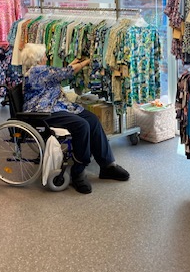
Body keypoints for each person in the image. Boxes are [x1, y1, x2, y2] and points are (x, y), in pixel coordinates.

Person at [21, 42, 129, 194]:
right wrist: (86, 62)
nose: (46, 57)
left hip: (57, 106)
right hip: (43, 111)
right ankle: (78, 171)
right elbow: (67, 72)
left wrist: (75, 62)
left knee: (92, 119)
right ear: (38, 59)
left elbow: (60, 72)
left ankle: (107, 165)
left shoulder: (38, 71)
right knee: (81, 125)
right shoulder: (38, 71)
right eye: (44, 55)